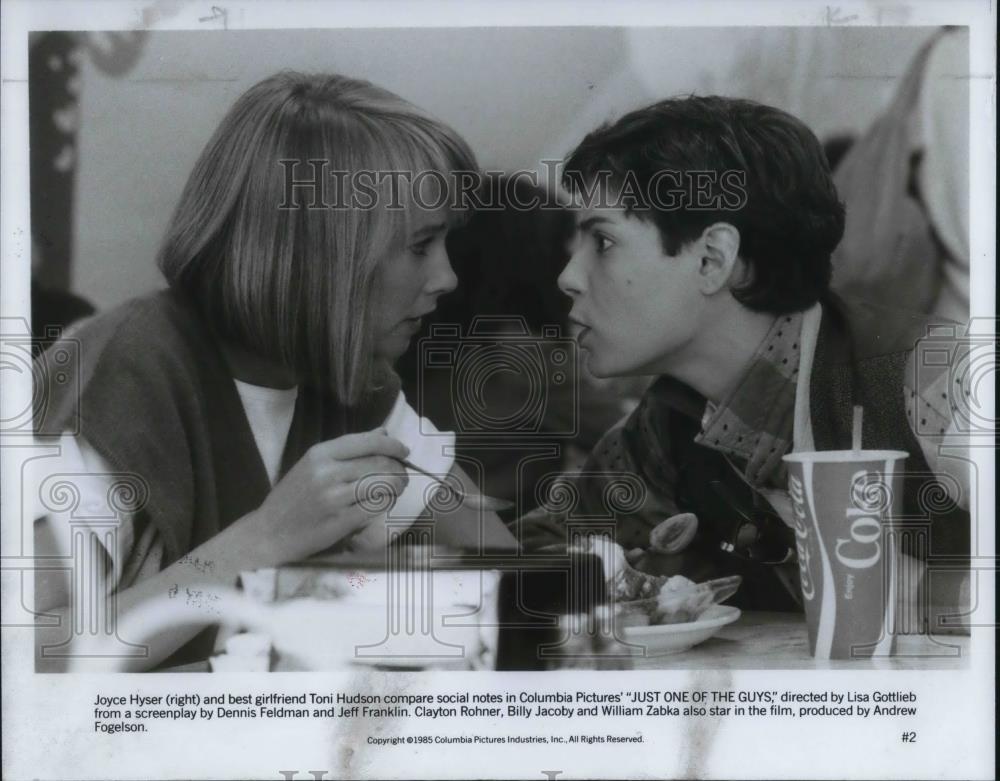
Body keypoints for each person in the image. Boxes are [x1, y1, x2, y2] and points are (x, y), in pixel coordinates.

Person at [31, 71, 514, 671]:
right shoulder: (122, 372)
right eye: (420, 246)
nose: (447, 278)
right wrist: (262, 540)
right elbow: (34, 657)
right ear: (324, 253)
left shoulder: (346, 378)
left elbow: (506, 568)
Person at [518, 95, 971, 630]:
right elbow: (532, 552)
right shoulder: (668, 425)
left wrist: (907, 594)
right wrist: (630, 579)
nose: (568, 276)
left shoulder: (939, 377)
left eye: (602, 241)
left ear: (713, 259)